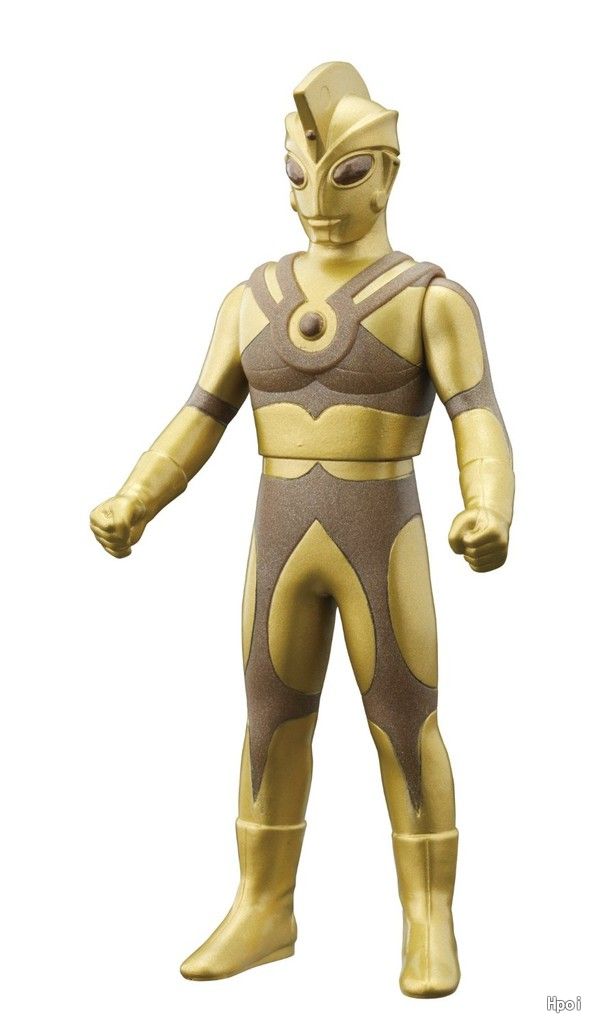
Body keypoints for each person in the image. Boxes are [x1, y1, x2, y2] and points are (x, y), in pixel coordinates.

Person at [90, 61, 514, 997]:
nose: (317, 201)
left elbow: (477, 417)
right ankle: (263, 905)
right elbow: (198, 417)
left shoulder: (428, 298)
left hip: (382, 533)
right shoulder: (251, 299)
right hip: (280, 532)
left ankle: (428, 916)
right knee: (269, 715)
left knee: (404, 719)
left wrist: (489, 505)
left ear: (388, 173)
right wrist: (135, 497)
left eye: (345, 176)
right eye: (297, 176)